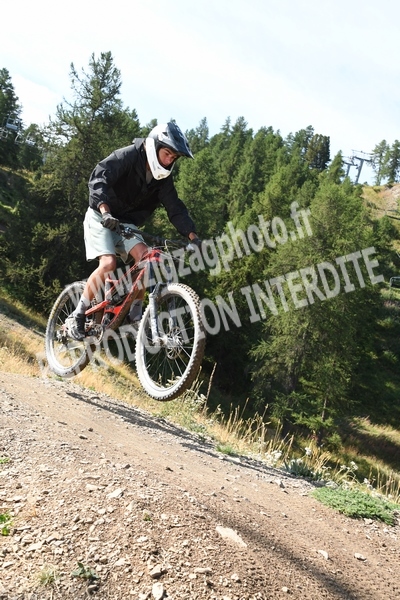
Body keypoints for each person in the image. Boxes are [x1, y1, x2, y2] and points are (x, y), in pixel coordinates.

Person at [65, 122, 201, 341]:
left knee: (147, 260)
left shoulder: (163, 179)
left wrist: (193, 237)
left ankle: (134, 318)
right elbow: (100, 178)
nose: (169, 161)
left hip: (126, 224)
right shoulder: (128, 156)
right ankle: (77, 315)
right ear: (154, 146)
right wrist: (105, 211)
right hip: (101, 215)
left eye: (173, 158)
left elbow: (175, 208)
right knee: (108, 264)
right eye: (167, 154)